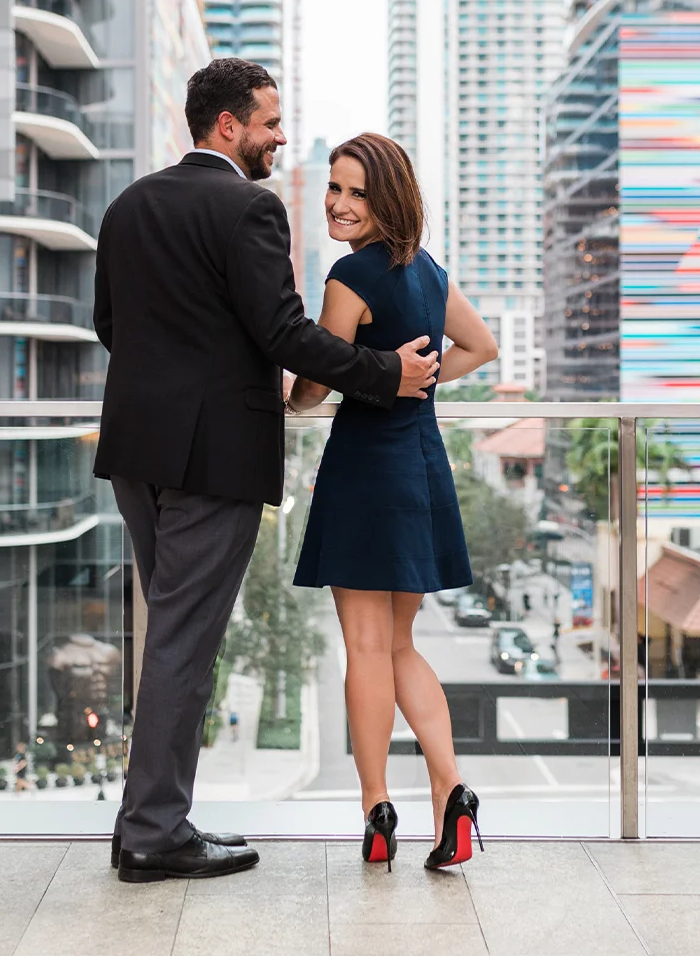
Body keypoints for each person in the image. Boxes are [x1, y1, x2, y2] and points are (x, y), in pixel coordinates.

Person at [93, 60, 440, 883]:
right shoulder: (250, 207)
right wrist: (387, 373)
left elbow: (112, 324)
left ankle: (148, 820)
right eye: (270, 122)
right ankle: (151, 833)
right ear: (227, 127)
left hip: (137, 452)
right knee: (184, 644)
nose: (281, 137)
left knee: (172, 640)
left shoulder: (129, 203)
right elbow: (285, 334)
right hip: (214, 458)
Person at [288, 133, 498, 873]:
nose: (339, 204)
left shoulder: (350, 276)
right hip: (419, 466)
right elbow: (480, 347)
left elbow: (320, 378)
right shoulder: (429, 272)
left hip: (364, 468)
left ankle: (377, 808)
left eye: (356, 192)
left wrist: (291, 396)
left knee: (366, 648)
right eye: (335, 188)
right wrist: (424, 379)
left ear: (387, 200)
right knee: (403, 644)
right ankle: (454, 789)